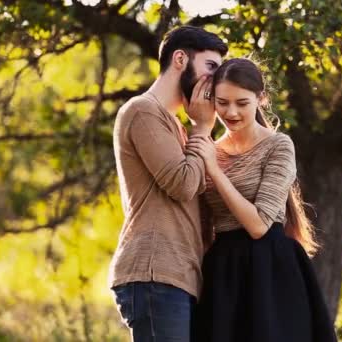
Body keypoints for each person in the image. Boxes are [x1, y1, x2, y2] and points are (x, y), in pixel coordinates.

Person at [187, 58, 337, 342]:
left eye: (242, 103)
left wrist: (214, 171)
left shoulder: (278, 146)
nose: (231, 112)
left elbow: (258, 226)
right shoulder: (209, 149)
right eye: (222, 102)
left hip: (270, 269)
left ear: (261, 99)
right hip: (223, 272)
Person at [108, 25, 227, 342]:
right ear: (180, 59)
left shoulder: (178, 126)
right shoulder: (142, 111)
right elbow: (183, 184)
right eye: (210, 67)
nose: (215, 81)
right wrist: (203, 125)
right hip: (154, 272)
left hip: (179, 276)